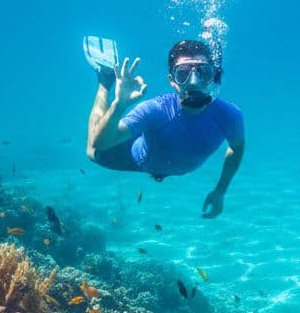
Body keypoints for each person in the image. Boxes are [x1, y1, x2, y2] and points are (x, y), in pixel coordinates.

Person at [83, 37, 245, 219]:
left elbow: (236, 147)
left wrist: (220, 191)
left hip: (176, 167)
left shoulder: (230, 115)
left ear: (213, 77)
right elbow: (101, 143)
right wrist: (119, 104)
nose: (193, 82)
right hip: (135, 159)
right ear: (172, 80)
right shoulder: (156, 110)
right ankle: (104, 82)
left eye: (203, 73)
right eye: (183, 74)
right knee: (92, 151)